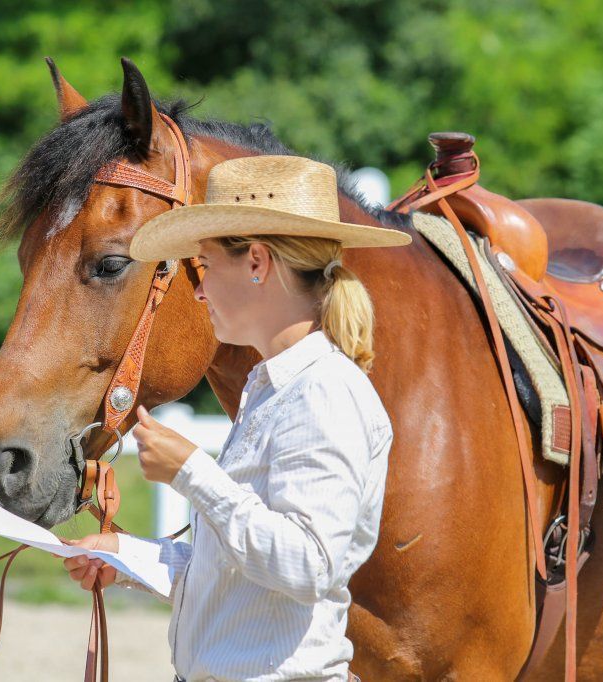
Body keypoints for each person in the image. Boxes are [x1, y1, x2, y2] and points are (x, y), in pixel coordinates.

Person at [59, 154, 411, 681]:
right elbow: (242, 577)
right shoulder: (275, 389)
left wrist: (192, 473)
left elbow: (307, 565)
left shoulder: (324, 393)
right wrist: (125, 557)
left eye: (202, 269)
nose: (198, 293)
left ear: (256, 263)